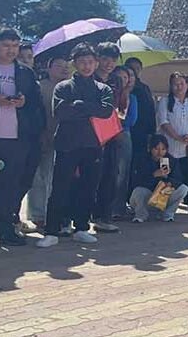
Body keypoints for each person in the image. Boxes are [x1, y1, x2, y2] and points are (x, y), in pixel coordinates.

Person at [0, 26, 44, 247]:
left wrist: (23, 103)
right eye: (6, 45)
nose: (11, 50)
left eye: (15, 46)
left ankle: (5, 230)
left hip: (16, 138)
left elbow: (36, 104)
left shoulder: (25, 72)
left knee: (10, 186)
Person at [36, 43, 114, 248]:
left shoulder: (102, 88)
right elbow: (60, 112)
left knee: (88, 187)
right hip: (67, 143)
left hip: (93, 144)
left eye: (90, 62)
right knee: (59, 187)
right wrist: (89, 109)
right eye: (82, 62)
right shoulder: (63, 86)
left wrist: (79, 105)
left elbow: (106, 111)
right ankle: (52, 230)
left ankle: (81, 227)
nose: (87, 66)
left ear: (96, 63)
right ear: (74, 64)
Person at [27, 57, 70, 230]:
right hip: (41, 136)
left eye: (66, 66)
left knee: (56, 178)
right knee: (38, 177)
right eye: (59, 66)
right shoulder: (39, 86)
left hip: (65, 138)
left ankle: (56, 214)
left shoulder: (71, 87)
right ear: (49, 68)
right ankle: (38, 214)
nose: (64, 69)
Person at [89, 42, 123, 233]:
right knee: (89, 176)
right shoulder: (88, 78)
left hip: (111, 132)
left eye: (113, 59)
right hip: (90, 133)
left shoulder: (117, 80)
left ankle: (104, 216)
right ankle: (83, 216)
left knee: (110, 174)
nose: (109, 63)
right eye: (105, 58)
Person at [157, 72, 188, 214]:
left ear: (187, 85)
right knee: (166, 175)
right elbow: (163, 122)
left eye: (182, 83)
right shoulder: (165, 101)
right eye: (175, 84)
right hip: (167, 148)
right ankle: (161, 203)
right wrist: (177, 137)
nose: (179, 86)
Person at [129, 135, 188, 223]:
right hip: (148, 194)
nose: (160, 152)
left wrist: (168, 181)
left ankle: (167, 215)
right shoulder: (142, 159)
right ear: (150, 149)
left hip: (163, 195)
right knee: (138, 191)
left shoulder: (172, 160)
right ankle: (141, 215)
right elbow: (137, 181)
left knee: (183, 189)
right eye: (156, 149)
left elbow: (178, 179)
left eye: (163, 149)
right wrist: (154, 175)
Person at [110, 65, 138, 219]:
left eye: (125, 77)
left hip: (124, 135)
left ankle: (118, 207)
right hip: (106, 136)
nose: (122, 80)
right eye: (119, 77)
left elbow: (131, 120)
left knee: (122, 173)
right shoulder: (107, 94)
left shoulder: (131, 98)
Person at [124, 57, 157, 167]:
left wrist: (152, 132)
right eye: (131, 68)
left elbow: (151, 110)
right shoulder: (121, 88)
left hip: (142, 132)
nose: (134, 71)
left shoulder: (144, 88)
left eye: (137, 68)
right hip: (126, 131)